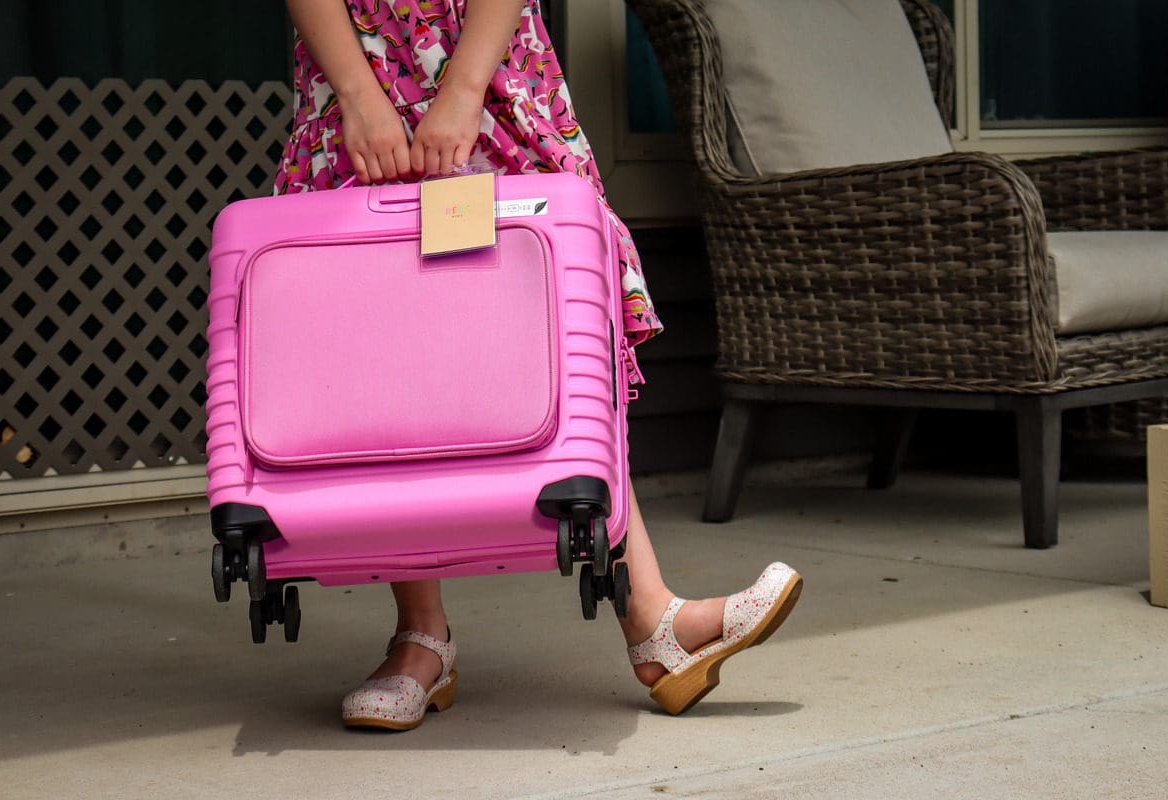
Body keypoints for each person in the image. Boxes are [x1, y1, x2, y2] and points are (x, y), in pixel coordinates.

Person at [275, 0, 802, 729]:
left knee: (565, 320)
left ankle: (650, 618)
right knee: (388, 348)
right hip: (361, 69)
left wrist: (461, 92)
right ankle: (422, 638)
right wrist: (360, 95)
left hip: (487, 69)